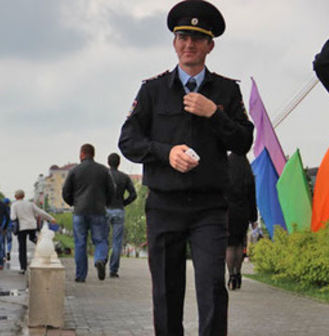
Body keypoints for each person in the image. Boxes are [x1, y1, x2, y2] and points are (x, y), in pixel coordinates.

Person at [118, 1, 254, 335]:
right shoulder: (153, 90)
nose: (188, 44)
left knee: (212, 288)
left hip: (209, 207)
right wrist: (166, 153)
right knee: (166, 292)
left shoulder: (226, 91)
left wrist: (215, 113)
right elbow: (128, 141)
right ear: (174, 42)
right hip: (164, 205)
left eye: (197, 37)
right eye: (182, 36)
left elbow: (244, 143)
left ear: (210, 45)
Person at [62, 144, 115, 282]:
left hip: (80, 211)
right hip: (98, 210)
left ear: (82, 154)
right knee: (101, 240)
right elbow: (112, 190)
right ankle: (99, 260)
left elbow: (65, 192)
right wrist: (106, 203)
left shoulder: (74, 171)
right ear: (93, 154)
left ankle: (80, 276)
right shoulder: (103, 170)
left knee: (80, 243)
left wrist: (73, 203)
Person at [225, 152, 257, 291]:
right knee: (239, 243)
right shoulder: (247, 169)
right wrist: (253, 217)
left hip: (228, 211)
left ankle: (231, 275)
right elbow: (252, 196)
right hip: (243, 211)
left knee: (229, 245)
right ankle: (238, 273)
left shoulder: (226, 164)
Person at [106, 153, 137, 278]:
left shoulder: (104, 176)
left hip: (105, 209)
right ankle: (113, 270)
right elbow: (133, 194)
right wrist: (123, 203)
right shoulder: (124, 177)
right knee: (117, 242)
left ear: (108, 162)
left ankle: (101, 260)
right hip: (119, 209)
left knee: (103, 238)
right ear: (119, 163)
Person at [10, 189, 56, 274]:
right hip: (31, 226)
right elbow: (40, 212)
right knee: (33, 238)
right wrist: (51, 218)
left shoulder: (14, 205)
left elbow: (12, 217)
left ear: (16, 197)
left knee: (22, 247)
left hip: (21, 228)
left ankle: (23, 267)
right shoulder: (30, 204)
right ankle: (43, 246)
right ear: (23, 196)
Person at [2, 198, 14, 262]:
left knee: (2, 242)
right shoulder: (11, 210)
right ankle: (8, 251)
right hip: (9, 226)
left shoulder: (1, 209)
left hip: (2, 227)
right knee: (9, 241)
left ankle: (3, 256)